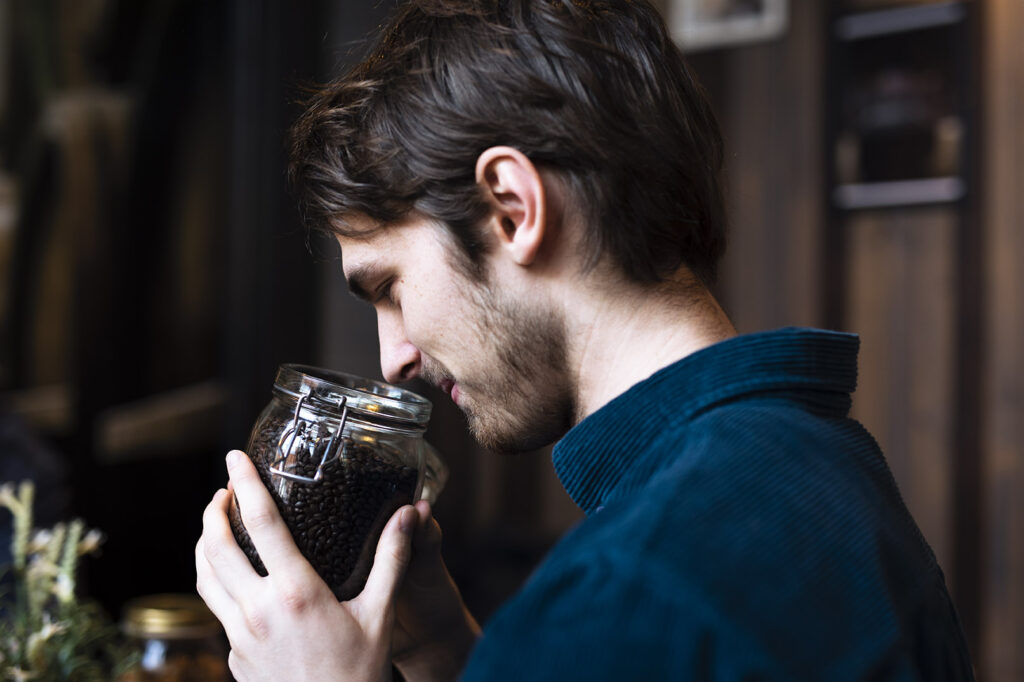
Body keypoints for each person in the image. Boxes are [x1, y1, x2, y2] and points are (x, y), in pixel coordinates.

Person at [194, 0, 976, 679]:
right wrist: (443, 651)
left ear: (511, 208)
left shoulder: (627, 588)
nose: (393, 358)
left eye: (388, 287)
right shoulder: (819, 456)